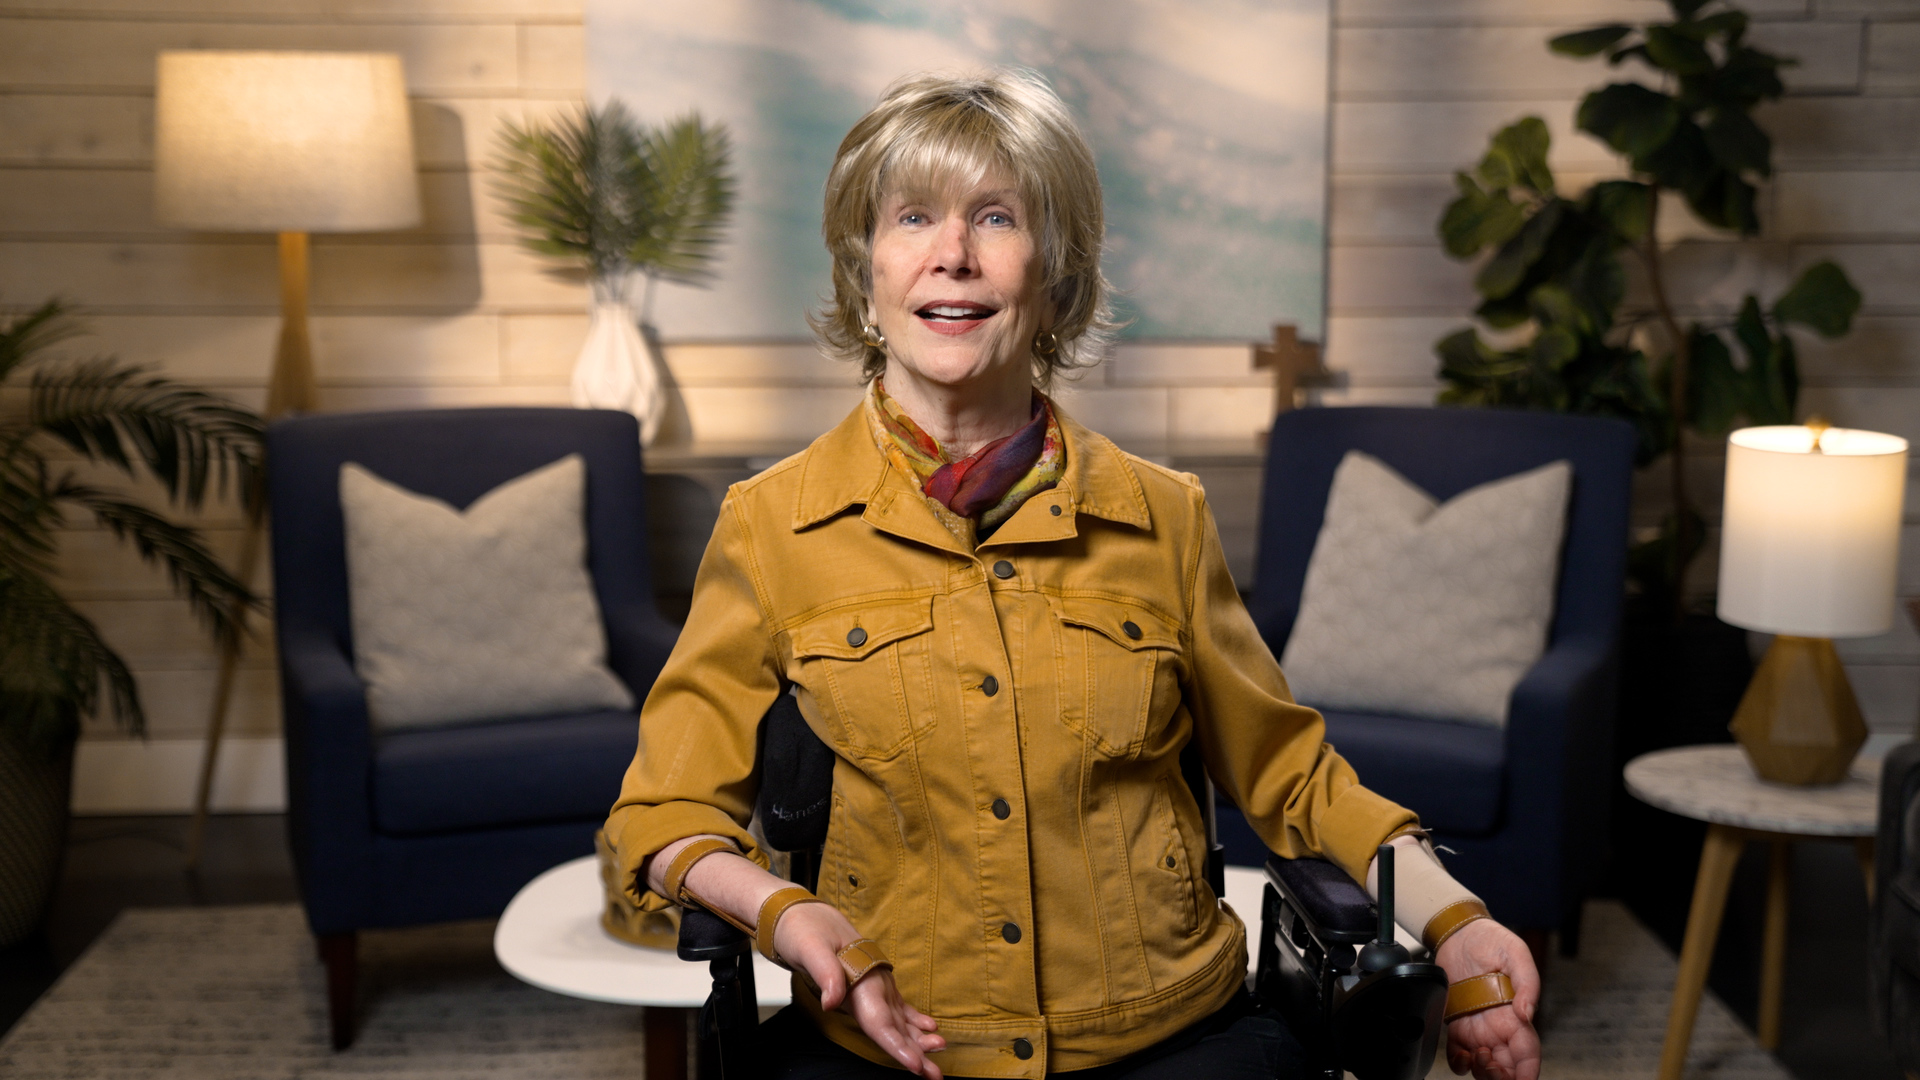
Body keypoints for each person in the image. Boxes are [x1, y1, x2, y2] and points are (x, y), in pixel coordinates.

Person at [605, 70, 1541, 1080]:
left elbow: (1293, 779)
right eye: (913, 217)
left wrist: (1457, 922)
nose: (952, 255)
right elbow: (661, 817)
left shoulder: (1164, 516)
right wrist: (784, 914)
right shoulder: (770, 526)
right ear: (865, 271)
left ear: (1055, 280)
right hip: (896, 1049)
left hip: (1173, 1037)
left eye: (996, 218)